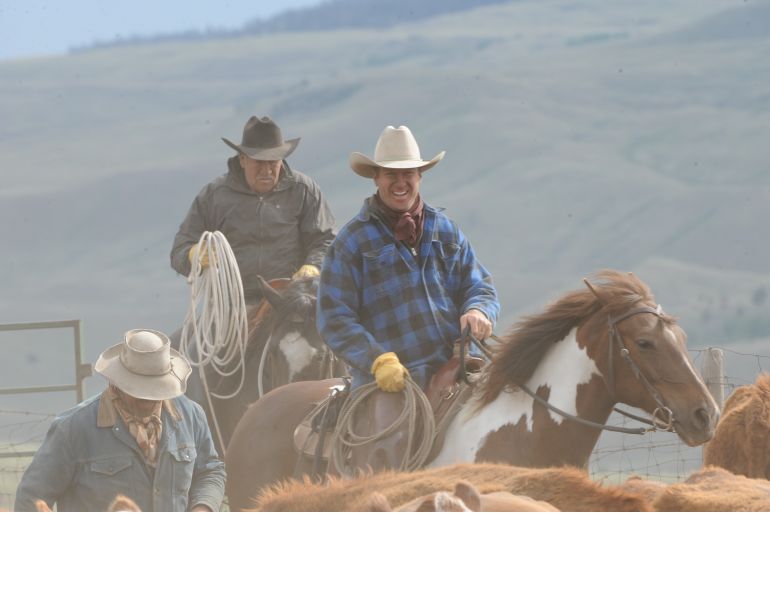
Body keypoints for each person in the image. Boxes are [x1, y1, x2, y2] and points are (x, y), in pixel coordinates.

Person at [317, 125, 500, 393]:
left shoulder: (446, 230)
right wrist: (377, 360)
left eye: (408, 173)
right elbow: (334, 318)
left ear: (420, 176)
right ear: (376, 178)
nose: (401, 182)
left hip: (456, 368)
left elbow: (479, 286)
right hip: (387, 381)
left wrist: (478, 311)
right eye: (391, 174)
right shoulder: (351, 242)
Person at [14, 329, 226, 512]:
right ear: (118, 382)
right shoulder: (73, 428)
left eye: (155, 388)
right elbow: (31, 498)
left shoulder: (191, 416)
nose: (148, 398)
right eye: (140, 389)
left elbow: (210, 470)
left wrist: (202, 508)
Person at [170, 115, 336, 303]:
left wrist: (314, 266)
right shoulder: (214, 196)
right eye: (259, 162)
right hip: (232, 303)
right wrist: (194, 256)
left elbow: (327, 240)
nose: (266, 171)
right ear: (242, 159)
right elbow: (179, 250)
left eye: (273, 162)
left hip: (291, 301)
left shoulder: (304, 190)